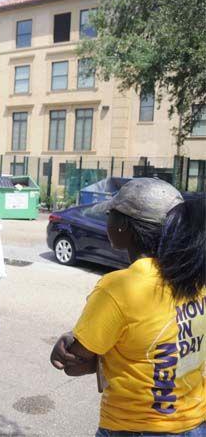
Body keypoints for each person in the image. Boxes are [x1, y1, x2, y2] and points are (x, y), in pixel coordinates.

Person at [50, 178, 206, 436]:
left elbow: (75, 361)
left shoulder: (118, 287)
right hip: (196, 423)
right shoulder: (195, 277)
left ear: (124, 228)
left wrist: (67, 344)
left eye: (111, 214)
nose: (107, 220)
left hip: (135, 427)